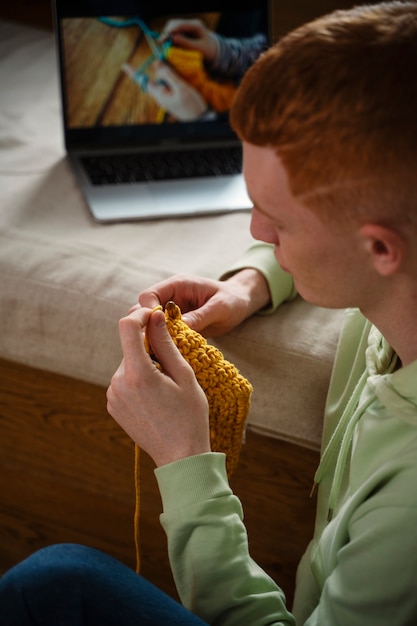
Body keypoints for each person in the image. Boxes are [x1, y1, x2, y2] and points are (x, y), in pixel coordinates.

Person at [1, 2, 417, 624]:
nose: (254, 228)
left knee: (55, 582)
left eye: (276, 222)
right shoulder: (393, 287)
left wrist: (185, 461)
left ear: (380, 248)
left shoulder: (408, 509)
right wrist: (254, 282)